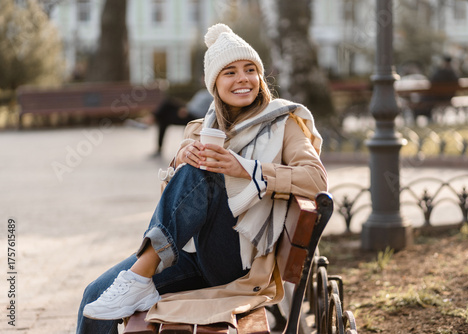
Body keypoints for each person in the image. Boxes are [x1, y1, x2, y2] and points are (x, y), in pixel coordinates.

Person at [76, 23, 327, 333]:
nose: (242, 79)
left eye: (250, 69)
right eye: (230, 72)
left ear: (261, 76)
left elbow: (316, 180)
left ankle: (139, 276)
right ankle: (139, 277)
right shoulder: (199, 128)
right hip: (189, 254)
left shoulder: (283, 123)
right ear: (214, 83)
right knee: (94, 296)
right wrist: (178, 160)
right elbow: (171, 204)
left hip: (238, 261)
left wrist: (246, 169)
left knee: (205, 171)